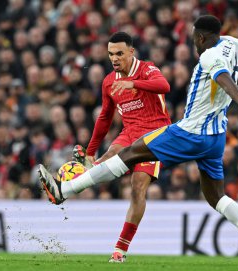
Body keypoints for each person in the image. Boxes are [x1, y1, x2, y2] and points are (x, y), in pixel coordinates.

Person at [39, 15, 238, 266]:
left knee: (130, 155)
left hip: (189, 131)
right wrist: (234, 58)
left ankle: (64, 190)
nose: (192, 43)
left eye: (193, 38)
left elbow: (221, 76)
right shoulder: (232, 44)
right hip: (216, 136)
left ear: (201, 38)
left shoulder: (208, 56)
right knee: (216, 197)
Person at [73, 32, 172, 262]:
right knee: (109, 153)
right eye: (110, 54)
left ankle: (120, 249)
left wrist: (133, 83)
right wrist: (90, 150)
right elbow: (105, 117)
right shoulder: (108, 81)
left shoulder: (147, 69)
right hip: (129, 132)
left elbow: (164, 86)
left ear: (131, 52)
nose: (114, 58)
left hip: (155, 134)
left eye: (119, 53)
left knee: (137, 188)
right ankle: (79, 174)